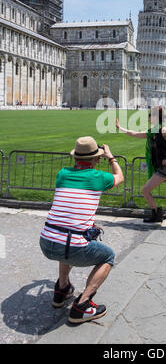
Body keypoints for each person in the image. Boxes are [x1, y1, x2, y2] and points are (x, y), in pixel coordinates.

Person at [39, 136, 124, 324]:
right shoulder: (98, 177)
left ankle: (62, 290)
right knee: (108, 256)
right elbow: (120, 177)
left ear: (75, 157)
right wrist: (112, 158)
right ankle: (82, 305)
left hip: (46, 241)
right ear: (96, 159)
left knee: (66, 239)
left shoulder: (62, 174)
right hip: (71, 245)